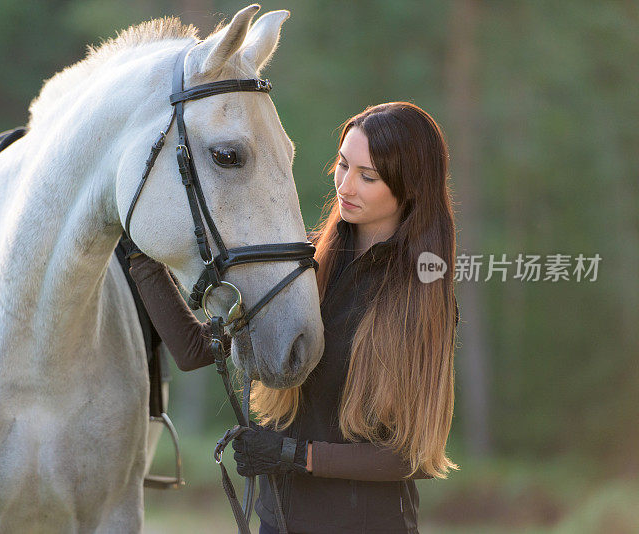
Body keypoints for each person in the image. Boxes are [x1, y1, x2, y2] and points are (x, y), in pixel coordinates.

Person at [126, 101, 459, 534]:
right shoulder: (300, 265)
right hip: (277, 523)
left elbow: (408, 456)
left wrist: (293, 456)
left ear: (409, 187)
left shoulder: (421, 293)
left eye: (368, 176)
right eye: (343, 165)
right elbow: (194, 351)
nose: (346, 186)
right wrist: (142, 257)